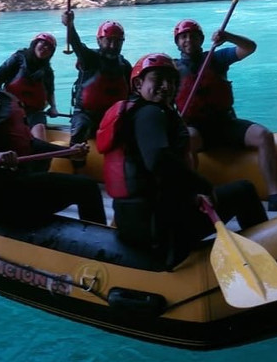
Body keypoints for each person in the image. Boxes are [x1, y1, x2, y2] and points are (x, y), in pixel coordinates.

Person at [97, 53, 267, 268]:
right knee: (244, 190)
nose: (166, 86)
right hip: (160, 230)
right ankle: (269, 253)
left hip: (135, 223)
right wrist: (201, 184)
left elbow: (156, 174)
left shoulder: (134, 114)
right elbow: (158, 160)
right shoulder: (150, 114)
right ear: (139, 84)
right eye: (158, 79)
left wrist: (189, 192)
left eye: (171, 81)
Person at [0, 42, 107, 227]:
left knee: (84, 186)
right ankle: (101, 249)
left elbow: (29, 143)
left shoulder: (1, 97)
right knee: (87, 188)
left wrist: (66, 152)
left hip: (19, 184)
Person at [173, 19, 277, 211]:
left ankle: (275, 195)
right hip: (196, 127)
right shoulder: (172, 70)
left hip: (225, 123)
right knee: (187, 140)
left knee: (264, 136)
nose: (188, 40)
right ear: (177, 42)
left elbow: (250, 47)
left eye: (193, 36)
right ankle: (192, 197)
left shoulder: (216, 58)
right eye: (183, 37)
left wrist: (227, 36)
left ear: (201, 39)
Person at [62, 10, 132, 145]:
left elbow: (135, 92)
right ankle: (77, 161)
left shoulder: (125, 66)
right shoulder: (89, 59)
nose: (113, 46)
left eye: (117, 42)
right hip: (86, 115)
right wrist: (70, 26)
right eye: (109, 40)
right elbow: (76, 44)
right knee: (80, 129)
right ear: (99, 41)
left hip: (114, 116)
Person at [0, 32, 60, 140]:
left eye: (49, 47)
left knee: (39, 135)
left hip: (34, 113)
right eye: (42, 44)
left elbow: (50, 92)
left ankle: (39, 152)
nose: (45, 48)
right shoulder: (18, 58)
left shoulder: (47, 72)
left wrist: (53, 107)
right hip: (10, 109)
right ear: (35, 44)